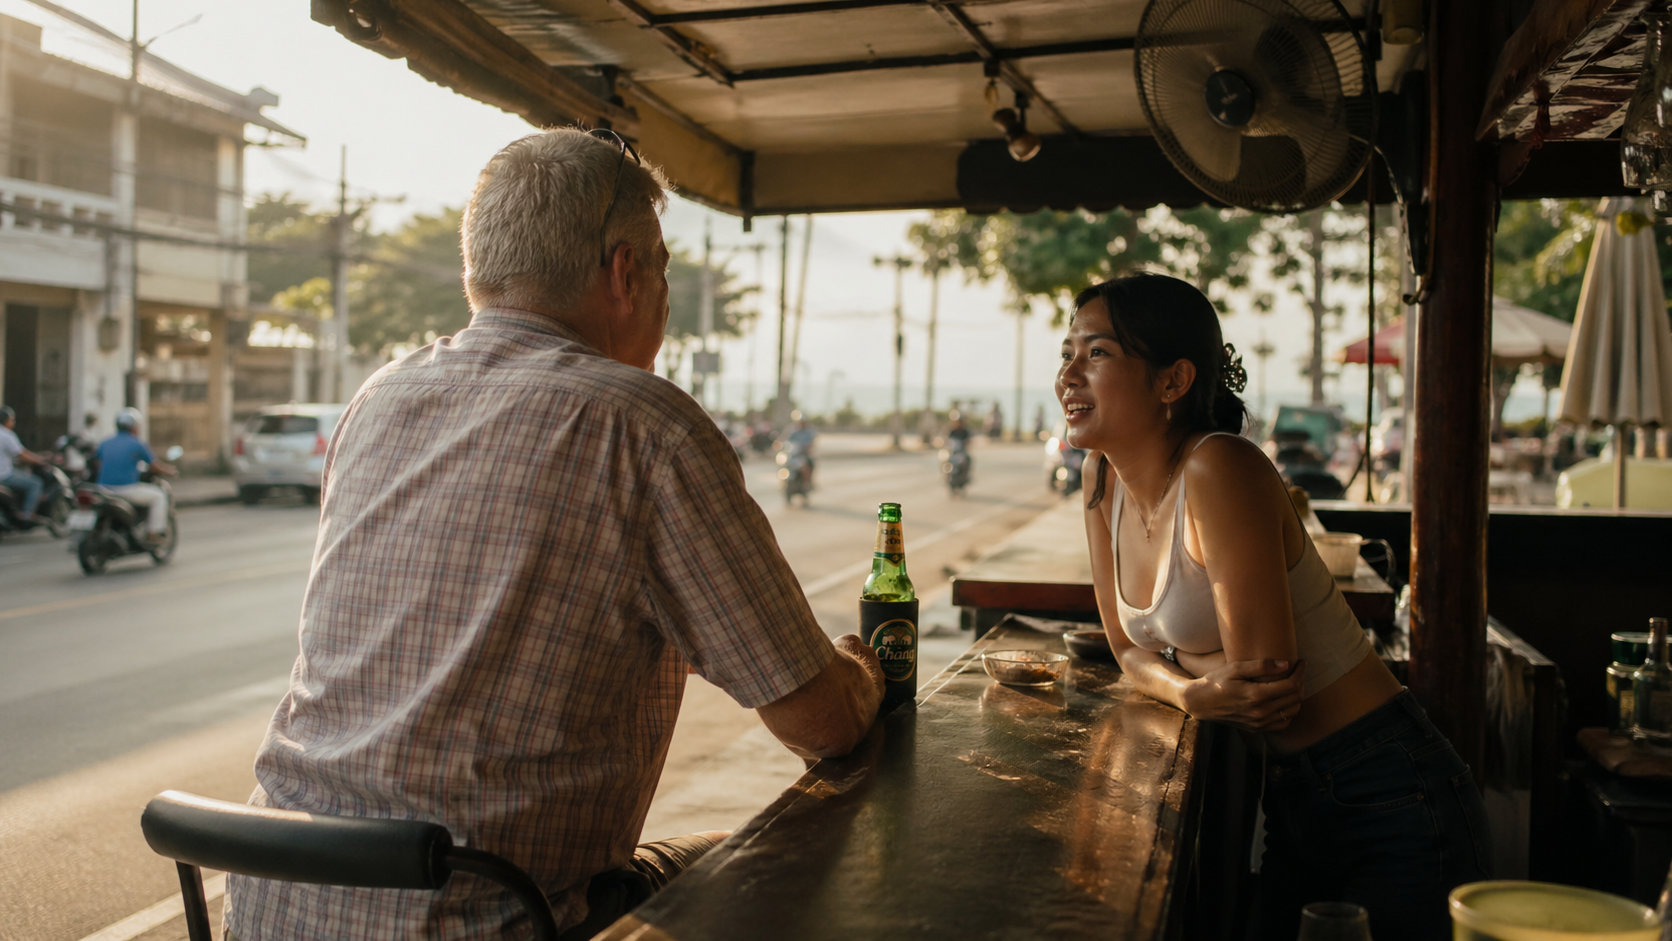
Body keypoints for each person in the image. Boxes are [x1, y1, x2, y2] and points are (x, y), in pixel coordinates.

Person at [223, 128, 885, 941]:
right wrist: (861, 671)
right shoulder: (646, 426)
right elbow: (823, 723)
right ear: (625, 272)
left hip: (268, 904)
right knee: (773, 860)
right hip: (489, 918)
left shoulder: (378, 398)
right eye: (664, 271)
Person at [1056, 273, 1489, 941]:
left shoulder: (1219, 467)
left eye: (1097, 353)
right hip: (1293, 790)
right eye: (1067, 353)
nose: (1068, 375)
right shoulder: (1099, 479)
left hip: (1388, 787)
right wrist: (1194, 690)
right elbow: (1124, 648)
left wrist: (1171, 666)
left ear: (1173, 381)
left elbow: (1266, 689)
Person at [93, 408, 175, 543]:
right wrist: (170, 471)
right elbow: (154, 466)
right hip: (125, 490)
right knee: (159, 496)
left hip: (103, 489)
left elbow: (97, 463)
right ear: (134, 427)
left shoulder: (105, 442)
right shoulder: (137, 444)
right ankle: (153, 534)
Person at [0, 405, 49, 523]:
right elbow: (21, 454)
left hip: (6, 472)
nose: (13, 422)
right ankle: (27, 513)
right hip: (4, 476)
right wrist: (39, 460)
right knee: (36, 483)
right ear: (6, 420)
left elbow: (16, 454)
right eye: (12, 420)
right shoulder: (6, 435)